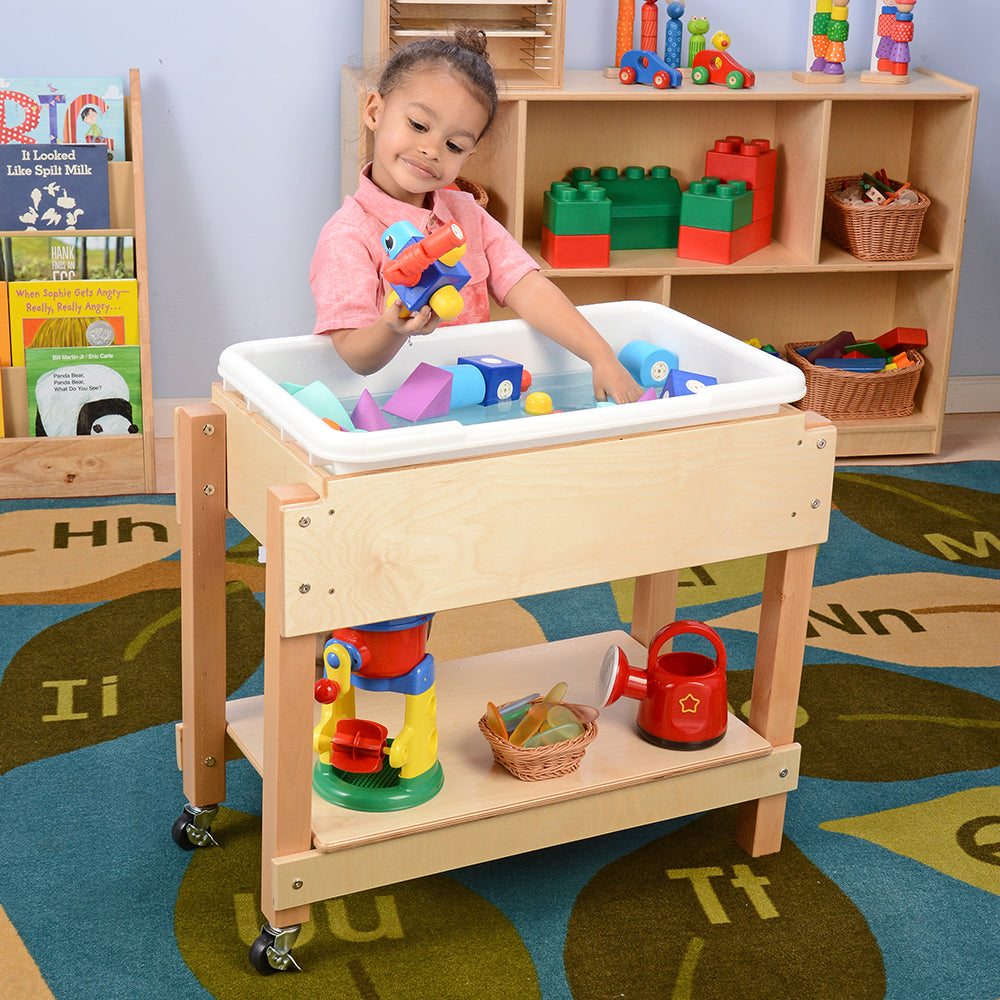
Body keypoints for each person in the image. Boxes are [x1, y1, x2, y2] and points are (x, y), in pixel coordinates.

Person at [310, 28, 644, 404]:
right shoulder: (347, 235)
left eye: (454, 145)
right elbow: (354, 355)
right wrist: (393, 327)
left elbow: (529, 288)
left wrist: (600, 355)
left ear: (467, 156)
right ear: (374, 111)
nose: (431, 149)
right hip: (390, 410)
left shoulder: (467, 217)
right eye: (418, 125)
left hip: (473, 401)